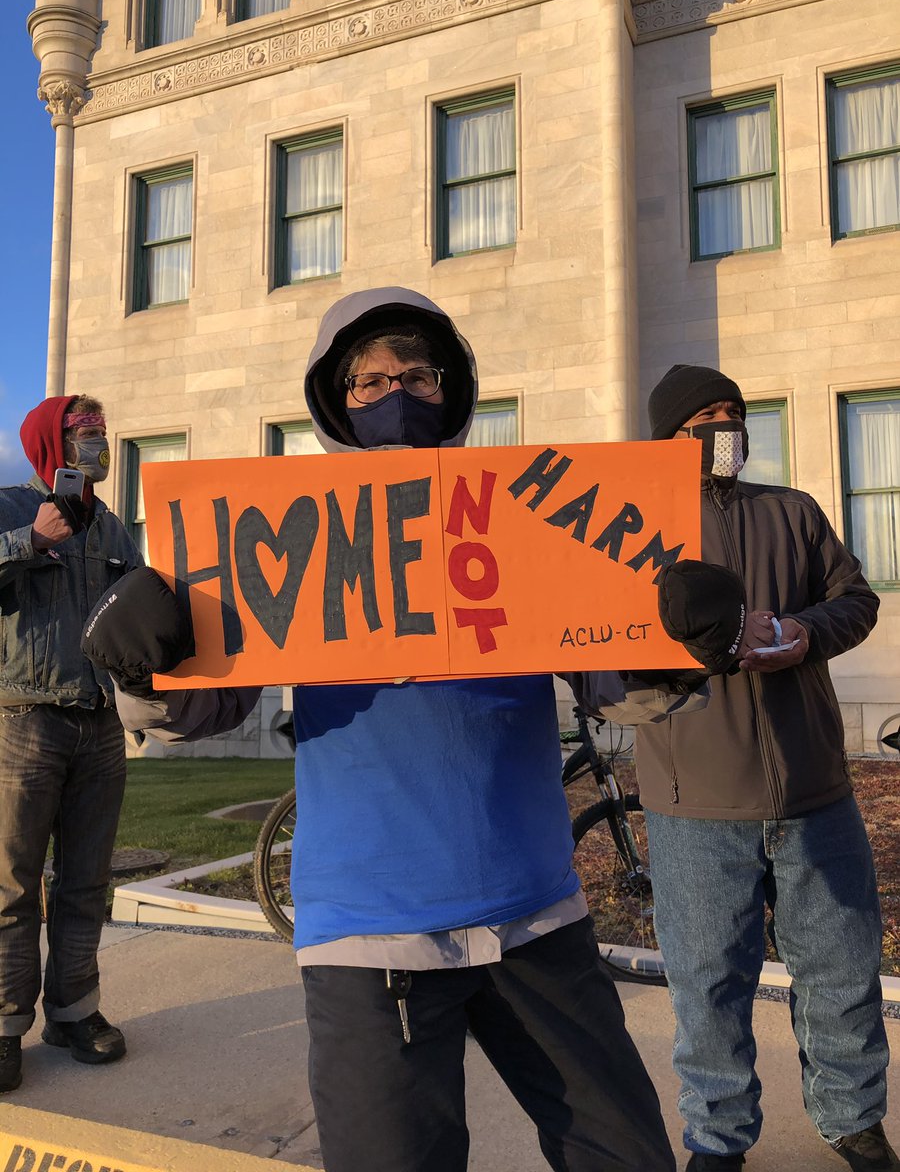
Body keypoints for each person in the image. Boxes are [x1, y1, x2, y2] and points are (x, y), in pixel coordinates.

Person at [81, 289, 745, 1172]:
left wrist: (681, 648)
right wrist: (142, 668)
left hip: (537, 917)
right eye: (370, 381)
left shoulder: (527, 523)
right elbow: (202, 709)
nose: (396, 394)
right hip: (369, 936)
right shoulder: (290, 539)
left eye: (418, 376)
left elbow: (616, 688)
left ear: (450, 389)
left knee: (626, 1156)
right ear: (337, 402)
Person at [636, 363, 896, 1172]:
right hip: (694, 800)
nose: (724, 428)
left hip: (814, 788)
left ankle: (853, 1121)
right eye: (704, 416)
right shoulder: (636, 529)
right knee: (708, 983)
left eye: (733, 412)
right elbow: (608, 652)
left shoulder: (794, 511)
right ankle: (718, 1139)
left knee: (842, 969)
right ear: (668, 435)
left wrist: (805, 633)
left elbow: (856, 601)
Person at [0, 395, 143, 1093]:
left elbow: (142, 608)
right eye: (86, 433)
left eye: (103, 434)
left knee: (86, 881)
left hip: (100, 723)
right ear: (52, 442)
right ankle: (4, 1026)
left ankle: (74, 1012)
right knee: (11, 884)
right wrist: (31, 539)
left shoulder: (111, 526)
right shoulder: (9, 506)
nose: (99, 445)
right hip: (23, 721)